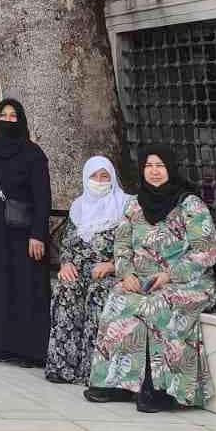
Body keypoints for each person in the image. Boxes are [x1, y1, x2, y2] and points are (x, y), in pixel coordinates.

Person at [84, 145, 216, 412]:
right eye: (148, 166)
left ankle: (162, 389)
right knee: (118, 300)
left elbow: (206, 250)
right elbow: (121, 246)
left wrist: (170, 275)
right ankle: (119, 384)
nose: (154, 171)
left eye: (160, 166)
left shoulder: (189, 203)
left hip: (188, 282)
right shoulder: (135, 204)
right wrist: (127, 273)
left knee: (157, 306)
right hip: (143, 279)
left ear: (170, 168)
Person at [0, 99, 52, 366]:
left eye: (13, 116)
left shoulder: (33, 154)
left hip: (24, 233)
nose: (8, 120)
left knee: (25, 288)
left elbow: (43, 197)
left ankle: (29, 350)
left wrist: (38, 234)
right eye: (3, 115)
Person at [47, 156, 130, 385]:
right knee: (66, 289)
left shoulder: (125, 206)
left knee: (98, 292)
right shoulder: (78, 207)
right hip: (78, 271)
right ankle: (62, 367)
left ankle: (91, 371)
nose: (99, 181)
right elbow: (66, 244)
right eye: (94, 176)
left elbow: (134, 245)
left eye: (105, 176)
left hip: (110, 273)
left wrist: (112, 265)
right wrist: (66, 264)